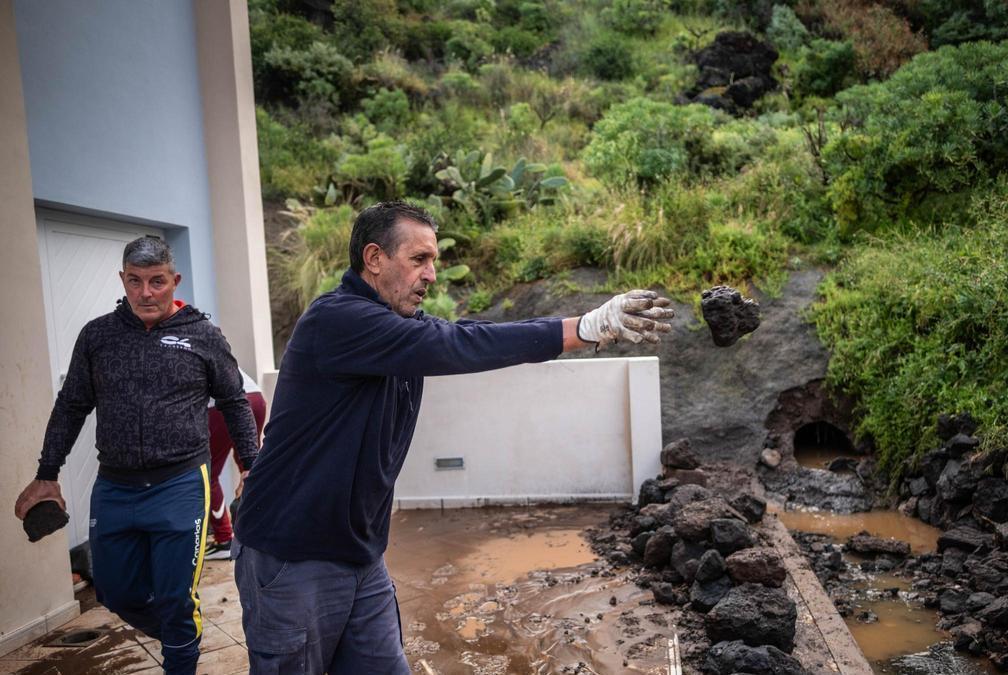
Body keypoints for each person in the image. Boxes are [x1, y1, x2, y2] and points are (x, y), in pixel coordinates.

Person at [233, 200, 672, 674]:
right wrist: (586, 328)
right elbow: (455, 345)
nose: (432, 275)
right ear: (375, 259)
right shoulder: (337, 320)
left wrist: (584, 329)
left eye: (434, 261)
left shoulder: (397, 324)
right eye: (419, 259)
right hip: (291, 554)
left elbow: (467, 332)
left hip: (360, 552)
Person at [13, 237, 258, 675]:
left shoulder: (202, 334)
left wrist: (251, 467)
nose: (146, 293)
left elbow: (235, 401)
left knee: (176, 597)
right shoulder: (98, 336)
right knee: (112, 591)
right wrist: (47, 472)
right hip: (115, 487)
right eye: (135, 281)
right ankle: (182, 632)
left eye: (157, 281)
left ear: (173, 281)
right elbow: (71, 404)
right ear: (123, 280)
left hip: (181, 484)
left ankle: (180, 646)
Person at [204, 368, 266, 560]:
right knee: (252, 467)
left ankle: (224, 538)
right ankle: (266, 526)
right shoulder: (209, 342)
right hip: (255, 396)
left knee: (208, 473)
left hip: (221, 405)